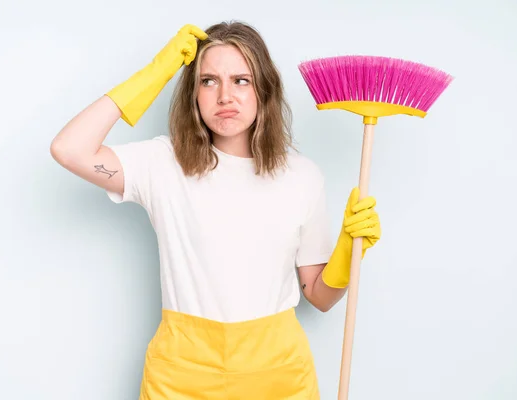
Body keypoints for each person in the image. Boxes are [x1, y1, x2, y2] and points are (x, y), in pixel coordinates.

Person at [50, 20, 381, 400]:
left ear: (264, 90)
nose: (225, 95)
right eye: (208, 81)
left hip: (278, 376)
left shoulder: (302, 176)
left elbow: (319, 297)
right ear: (193, 93)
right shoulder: (162, 164)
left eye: (241, 80)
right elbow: (69, 149)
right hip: (181, 374)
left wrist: (347, 249)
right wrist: (157, 71)